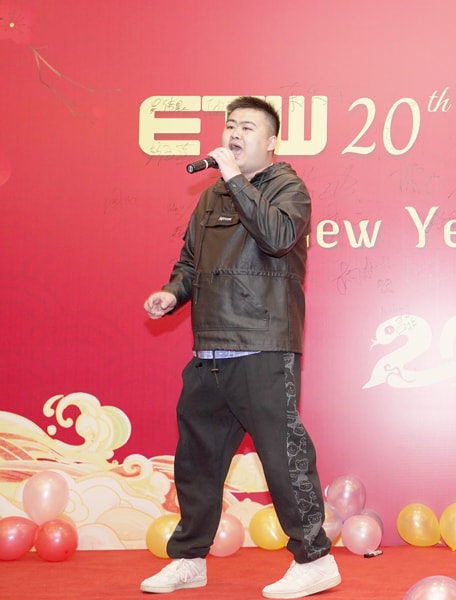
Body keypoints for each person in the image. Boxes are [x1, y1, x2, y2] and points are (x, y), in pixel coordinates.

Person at [140, 96, 340, 598]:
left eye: (247, 127)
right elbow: (190, 262)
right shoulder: (210, 198)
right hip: (210, 349)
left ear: (270, 141)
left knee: (283, 456)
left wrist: (234, 178)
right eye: (230, 125)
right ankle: (190, 558)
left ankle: (315, 559)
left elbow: (277, 236)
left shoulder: (288, 188)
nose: (234, 134)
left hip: (262, 344)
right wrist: (173, 293)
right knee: (197, 461)